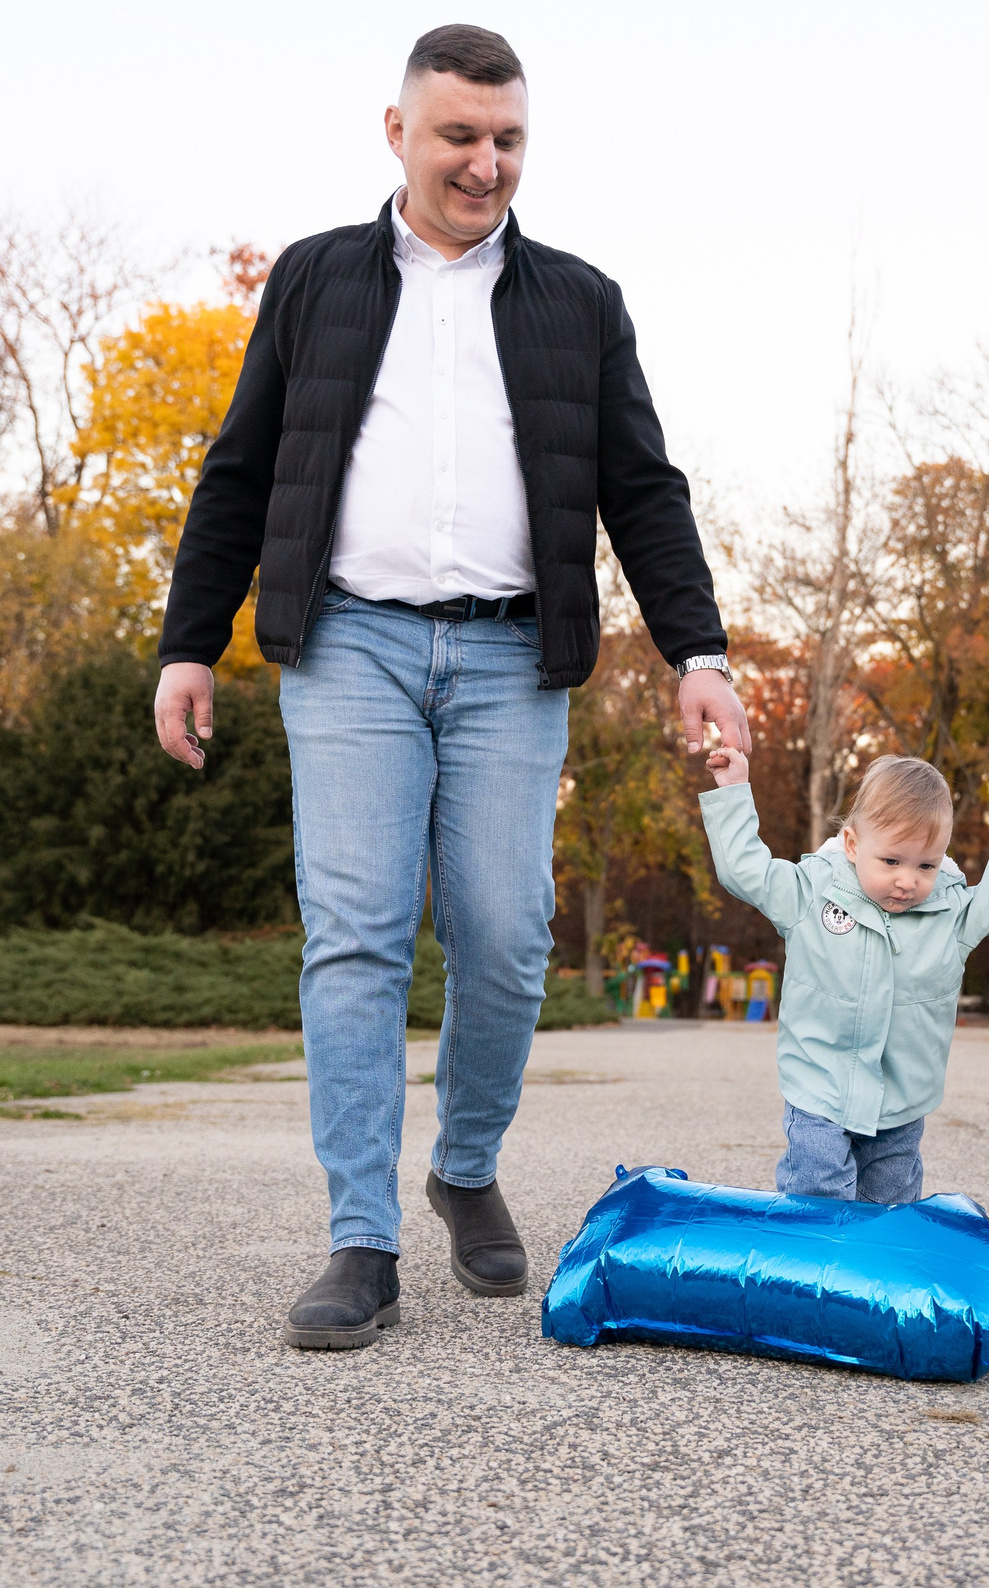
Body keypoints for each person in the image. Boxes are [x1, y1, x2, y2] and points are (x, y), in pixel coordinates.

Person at [154, 25, 749, 1350]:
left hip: (507, 656)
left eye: (508, 140)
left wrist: (697, 654)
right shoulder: (314, 281)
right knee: (356, 929)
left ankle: (464, 1162)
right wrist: (189, 641)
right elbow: (240, 469)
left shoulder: (578, 302)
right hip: (349, 642)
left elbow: (643, 492)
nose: (485, 164)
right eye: (459, 137)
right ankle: (360, 1237)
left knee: (505, 932)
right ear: (397, 131)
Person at [701, 750, 989, 1202]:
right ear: (853, 844)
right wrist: (734, 790)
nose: (907, 881)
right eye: (891, 861)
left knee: (890, 1208)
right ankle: (815, 1264)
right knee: (818, 1194)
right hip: (821, 1091)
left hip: (901, 1102)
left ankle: (875, 1268)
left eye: (926, 865)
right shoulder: (811, 894)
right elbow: (744, 870)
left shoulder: (951, 915)